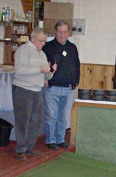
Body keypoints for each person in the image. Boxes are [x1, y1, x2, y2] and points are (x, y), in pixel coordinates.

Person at [12, 27, 56, 161]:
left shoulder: (42, 54)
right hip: (23, 89)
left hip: (38, 90)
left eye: (45, 42)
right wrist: (39, 69)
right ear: (33, 38)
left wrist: (50, 72)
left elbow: (45, 77)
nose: (43, 44)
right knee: (23, 121)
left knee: (36, 120)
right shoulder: (23, 50)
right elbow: (19, 70)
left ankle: (29, 148)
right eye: (41, 41)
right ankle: (20, 150)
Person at [42, 20, 80, 150]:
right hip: (52, 87)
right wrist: (44, 79)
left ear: (68, 32)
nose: (62, 35)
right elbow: (41, 65)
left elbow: (77, 66)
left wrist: (75, 82)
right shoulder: (48, 47)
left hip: (68, 88)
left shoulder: (72, 48)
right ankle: (50, 140)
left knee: (63, 115)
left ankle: (60, 139)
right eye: (60, 32)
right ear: (55, 32)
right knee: (51, 115)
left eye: (65, 32)